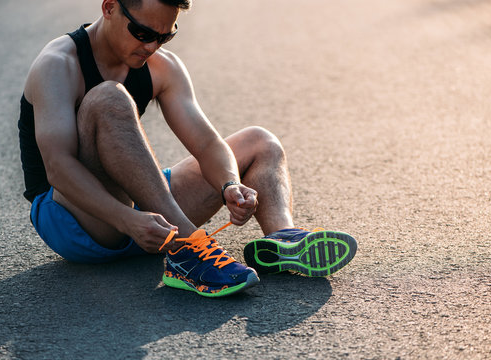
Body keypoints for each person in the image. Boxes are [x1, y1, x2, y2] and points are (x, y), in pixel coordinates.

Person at [18, 0, 357, 297]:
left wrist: (229, 185)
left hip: (143, 214)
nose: (152, 46)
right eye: (143, 33)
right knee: (108, 97)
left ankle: (282, 240)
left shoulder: (161, 66)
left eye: (165, 36)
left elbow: (207, 143)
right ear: (109, 7)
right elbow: (57, 167)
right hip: (72, 218)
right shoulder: (58, 64)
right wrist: (127, 219)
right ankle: (187, 250)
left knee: (260, 141)